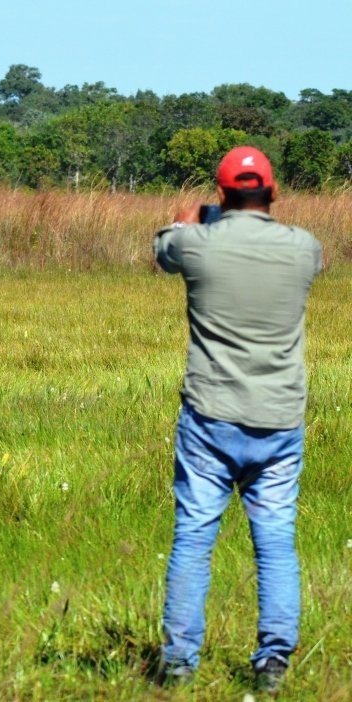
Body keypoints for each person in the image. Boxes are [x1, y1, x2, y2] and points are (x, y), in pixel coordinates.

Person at [152, 146, 323, 693]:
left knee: (194, 537)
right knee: (275, 542)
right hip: (278, 419)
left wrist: (190, 218)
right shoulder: (304, 249)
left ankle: (179, 664)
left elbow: (164, 248)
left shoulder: (197, 244)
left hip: (210, 414)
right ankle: (272, 663)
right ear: (272, 193)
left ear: (222, 194)